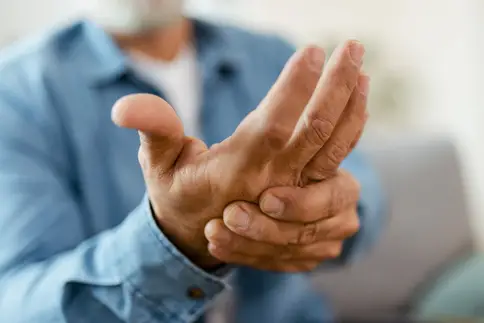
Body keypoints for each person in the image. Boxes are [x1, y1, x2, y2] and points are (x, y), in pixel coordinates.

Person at [0, 0, 384, 322]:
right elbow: (18, 301)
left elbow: (365, 197)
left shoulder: (273, 57)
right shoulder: (17, 92)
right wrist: (171, 242)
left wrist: (330, 212)